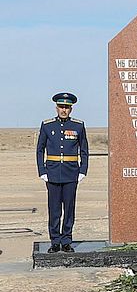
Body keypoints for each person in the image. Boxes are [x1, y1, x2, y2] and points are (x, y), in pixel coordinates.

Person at [36, 92, 89, 253]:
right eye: (61, 107)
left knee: (69, 209)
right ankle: (55, 241)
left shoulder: (78, 126)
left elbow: (84, 150)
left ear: (71, 109)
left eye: (66, 107)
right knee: (54, 209)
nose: (63, 110)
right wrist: (42, 171)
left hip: (71, 173)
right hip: (52, 172)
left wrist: (83, 170)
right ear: (56, 107)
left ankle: (66, 241)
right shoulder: (47, 125)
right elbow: (39, 150)